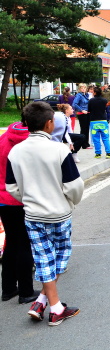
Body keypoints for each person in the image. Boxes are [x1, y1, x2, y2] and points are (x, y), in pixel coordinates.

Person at [6, 102, 84, 326]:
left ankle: (41, 300)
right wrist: (70, 201)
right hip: (59, 213)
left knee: (43, 258)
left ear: (26, 123)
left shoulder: (15, 151)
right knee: (59, 256)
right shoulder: (59, 150)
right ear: (49, 123)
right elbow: (74, 185)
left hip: (32, 214)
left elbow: (11, 187)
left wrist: (28, 199)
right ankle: (56, 308)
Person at [0, 121, 39, 305]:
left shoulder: (4, 138)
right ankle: (26, 291)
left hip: (2, 198)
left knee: (11, 242)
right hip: (20, 198)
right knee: (25, 244)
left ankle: (8, 289)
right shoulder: (28, 145)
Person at [87, 87, 110, 159]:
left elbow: (89, 110)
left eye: (93, 92)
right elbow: (106, 109)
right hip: (103, 121)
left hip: (94, 121)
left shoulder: (91, 101)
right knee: (105, 138)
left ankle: (98, 154)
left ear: (95, 93)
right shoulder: (104, 100)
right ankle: (108, 153)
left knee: (96, 139)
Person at [71, 84, 91, 149]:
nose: (83, 89)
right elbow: (74, 104)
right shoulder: (79, 95)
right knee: (83, 129)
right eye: (82, 88)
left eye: (84, 88)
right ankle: (83, 144)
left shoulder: (86, 95)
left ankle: (86, 143)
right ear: (79, 89)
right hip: (82, 114)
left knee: (87, 129)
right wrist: (81, 110)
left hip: (87, 113)